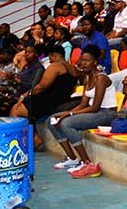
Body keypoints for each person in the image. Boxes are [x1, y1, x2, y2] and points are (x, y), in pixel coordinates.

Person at [48, 45, 117, 178]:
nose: (82, 63)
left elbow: (95, 107)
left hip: (106, 114)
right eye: (82, 60)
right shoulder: (87, 78)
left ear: (95, 62)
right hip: (94, 112)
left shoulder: (101, 78)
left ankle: (88, 164)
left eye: (87, 60)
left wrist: (70, 114)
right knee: (52, 120)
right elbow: (84, 103)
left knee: (66, 123)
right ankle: (72, 158)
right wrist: (65, 113)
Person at [10, 44, 78, 122]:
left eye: (49, 57)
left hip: (49, 103)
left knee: (15, 109)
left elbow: (42, 87)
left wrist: (24, 96)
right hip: (63, 100)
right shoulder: (73, 69)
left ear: (54, 56)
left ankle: (18, 134)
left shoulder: (55, 66)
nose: (49, 60)